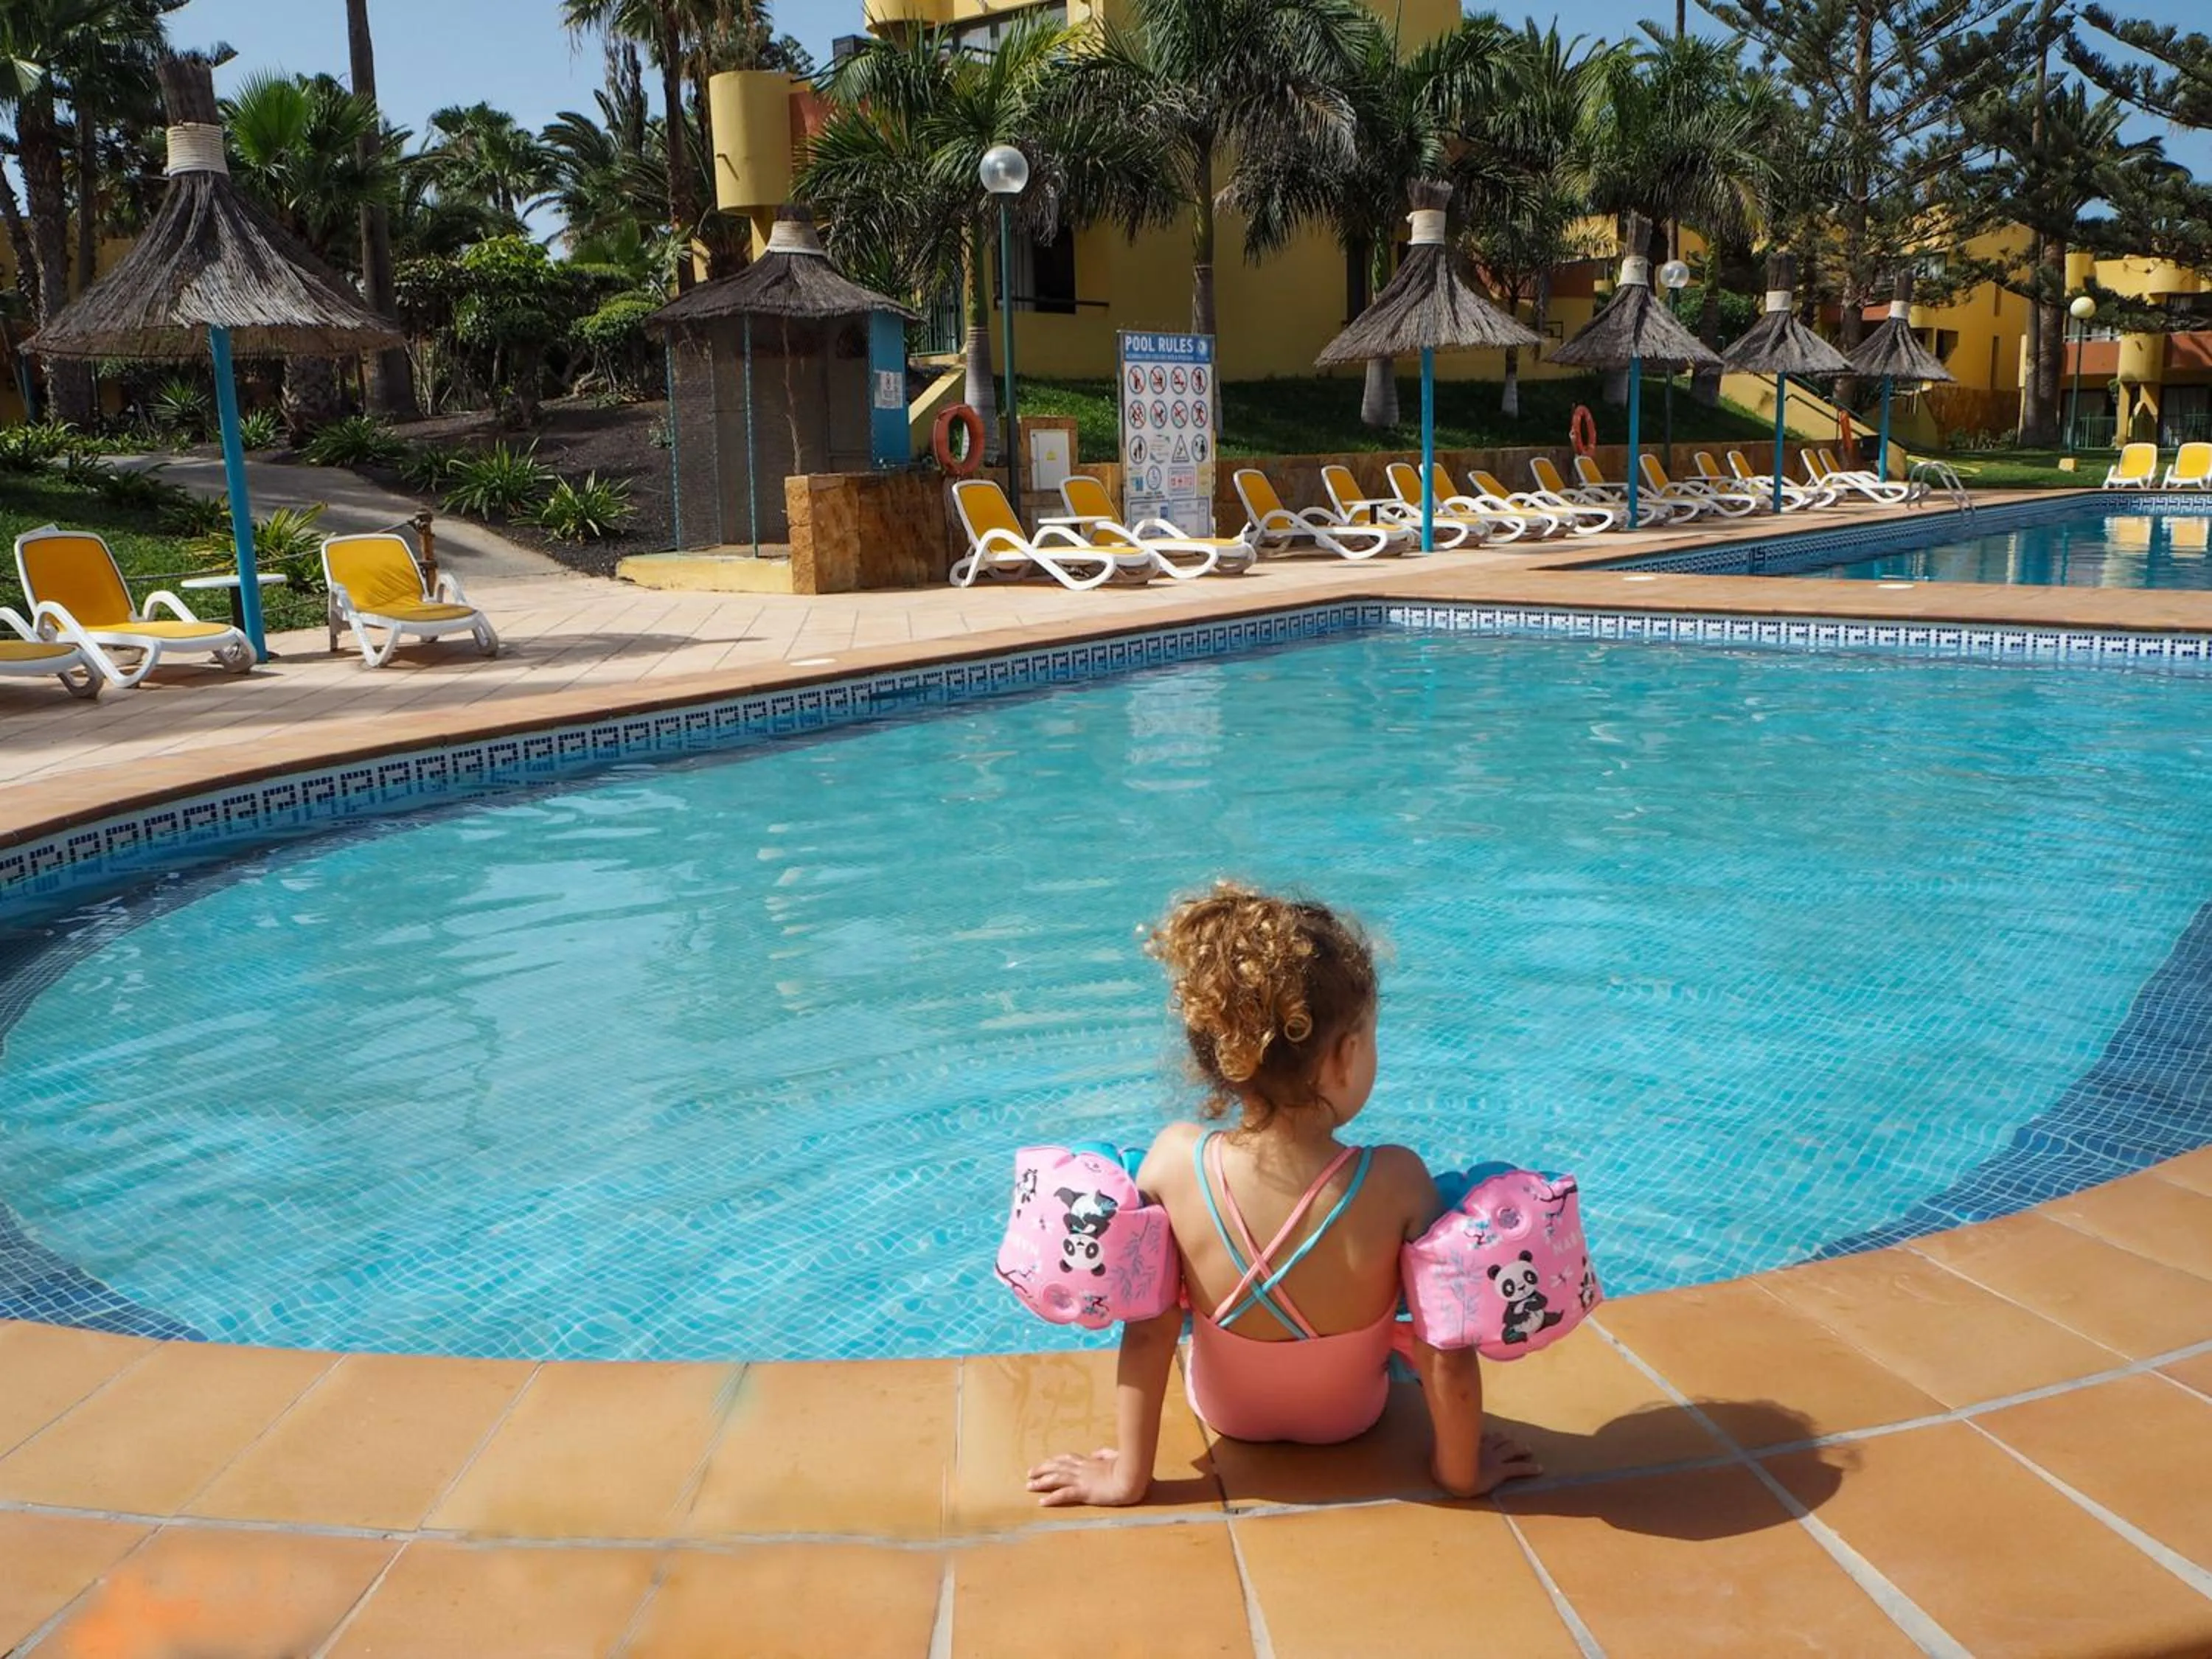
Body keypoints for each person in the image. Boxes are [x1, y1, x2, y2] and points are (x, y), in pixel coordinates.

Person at [1026, 882, 1541, 1508]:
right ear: (1347, 1056)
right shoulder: (1397, 1181)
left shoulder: (1172, 1162)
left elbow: (1149, 1331)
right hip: (1351, 1419)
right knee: (1416, 1329)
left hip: (1225, 1413)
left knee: (1172, 1295)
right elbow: (1447, 1350)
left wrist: (1124, 1478)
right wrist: (1462, 1473)